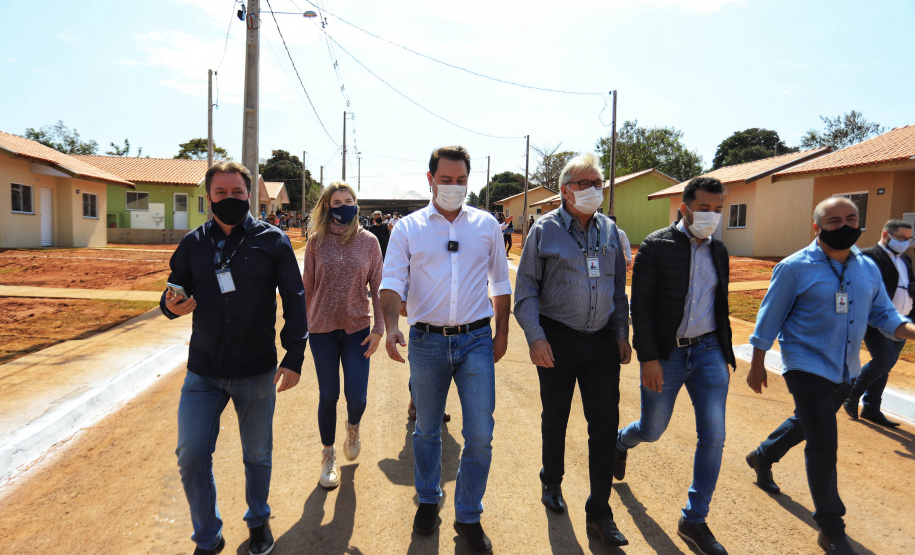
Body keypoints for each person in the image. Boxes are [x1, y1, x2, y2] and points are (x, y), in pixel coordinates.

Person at [746, 198, 914, 555]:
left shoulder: (866, 267)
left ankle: (763, 455)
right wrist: (757, 361)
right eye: (834, 220)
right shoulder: (794, 268)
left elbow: (884, 314)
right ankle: (831, 527)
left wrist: (909, 331)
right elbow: (769, 317)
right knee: (823, 441)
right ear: (816, 226)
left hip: (846, 368)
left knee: (808, 422)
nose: (844, 226)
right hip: (805, 365)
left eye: (851, 219)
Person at [160, 161, 308, 555]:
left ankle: (258, 521)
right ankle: (208, 537)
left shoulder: (273, 241)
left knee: (257, 455)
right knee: (191, 456)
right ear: (208, 196)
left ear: (249, 195)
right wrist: (171, 307)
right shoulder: (193, 243)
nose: (230, 199)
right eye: (221, 193)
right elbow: (172, 290)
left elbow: (295, 299)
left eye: (237, 193)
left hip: (255, 371)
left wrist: (294, 354)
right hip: (203, 372)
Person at [380, 145, 511, 554]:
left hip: (476, 340)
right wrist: (390, 327)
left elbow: (501, 283)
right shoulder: (408, 229)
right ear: (430, 179)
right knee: (426, 429)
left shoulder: (487, 226)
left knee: (480, 434)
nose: (453, 188)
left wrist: (502, 330)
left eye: (460, 181)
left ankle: (468, 514)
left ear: (468, 181)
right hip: (426, 343)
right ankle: (429, 497)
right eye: (446, 180)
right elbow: (390, 282)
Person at [514, 153, 631, 547]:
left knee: (603, 425)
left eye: (599, 183)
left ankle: (599, 512)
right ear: (566, 190)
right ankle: (552, 479)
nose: (596, 190)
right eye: (586, 184)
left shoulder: (611, 232)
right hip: (558, 338)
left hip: (601, 343)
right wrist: (536, 337)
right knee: (556, 417)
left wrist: (621, 333)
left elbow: (617, 287)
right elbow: (526, 289)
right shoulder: (544, 231)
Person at [615, 176, 734, 555]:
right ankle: (621, 442)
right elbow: (642, 306)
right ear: (684, 208)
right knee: (652, 430)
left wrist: (725, 353)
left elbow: (719, 304)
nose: (711, 216)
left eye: (717, 209)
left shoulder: (719, 251)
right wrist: (649, 357)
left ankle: (694, 519)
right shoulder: (656, 245)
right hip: (667, 355)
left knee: (713, 436)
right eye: (704, 208)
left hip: (709, 350)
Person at [303, 182, 384, 489]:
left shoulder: (370, 242)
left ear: (356, 204)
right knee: (328, 394)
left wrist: (379, 328)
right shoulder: (316, 242)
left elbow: (377, 288)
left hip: (357, 330)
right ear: (327, 207)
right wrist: (306, 323)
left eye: (348, 201)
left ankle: (353, 428)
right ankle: (327, 455)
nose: (343, 206)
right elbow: (307, 287)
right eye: (337, 202)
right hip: (321, 330)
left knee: (357, 396)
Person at [843, 219, 914, 427]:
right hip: (877, 321)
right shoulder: (867, 256)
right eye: (900, 237)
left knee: (886, 365)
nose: (905, 242)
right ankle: (851, 395)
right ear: (886, 235)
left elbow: (909, 287)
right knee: (883, 361)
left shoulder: (906, 260)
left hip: (903, 322)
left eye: (908, 239)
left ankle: (871, 408)